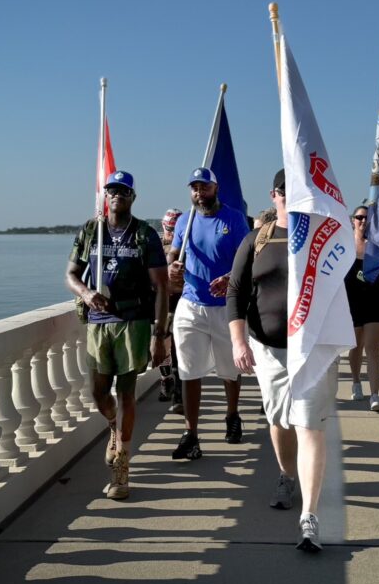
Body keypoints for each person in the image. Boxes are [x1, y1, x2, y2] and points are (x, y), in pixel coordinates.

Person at [227, 169, 338, 553]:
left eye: (298, 192)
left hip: (312, 351)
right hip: (267, 349)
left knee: (309, 425)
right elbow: (236, 292)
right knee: (279, 418)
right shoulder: (256, 240)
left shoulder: (323, 239)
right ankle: (286, 474)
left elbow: (344, 284)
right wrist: (238, 342)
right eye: (284, 192)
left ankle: (309, 515)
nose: (291, 198)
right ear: (274, 195)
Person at [66, 170, 168, 500]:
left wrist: (159, 334)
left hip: (133, 321)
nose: (116, 195)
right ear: (104, 195)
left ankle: (121, 467)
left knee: (126, 392)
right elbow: (71, 273)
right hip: (98, 320)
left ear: (133, 197)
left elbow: (162, 286)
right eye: (111, 190)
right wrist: (85, 293)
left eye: (123, 191)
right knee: (97, 392)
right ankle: (113, 425)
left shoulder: (144, 234)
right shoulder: (90, 230)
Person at [167, 167, 249, 459]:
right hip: (190, 305)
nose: (199, 194)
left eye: (204, 188)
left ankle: (232, 415)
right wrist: (172, 265)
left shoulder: (234, 219)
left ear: (216, 189)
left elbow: (246, 258)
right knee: (189, 371)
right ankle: (191, 434)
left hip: (225, 307)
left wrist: (230, 277)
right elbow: (174, 253)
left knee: (230, 369)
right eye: (194, 188)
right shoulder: (183, 221)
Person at [344, 205, 379, 412]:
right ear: (353, 220)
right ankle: (355, 381)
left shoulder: (378, 246)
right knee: (356, 346)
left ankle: (375, 395)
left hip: (375, 301)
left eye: (367, 218)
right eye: (359, 217)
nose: (363, 221)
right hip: (351, 301)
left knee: (373, 349)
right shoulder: (343, 244)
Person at [158, 208, 184, 414]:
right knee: (162, 345)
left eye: (174, 229)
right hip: (161, 303)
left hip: (181, 302)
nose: (171, 233)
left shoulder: (185, 246)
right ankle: (166, 379)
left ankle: (179, 393)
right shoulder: (156, 246)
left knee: (178, 349)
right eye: (168, 229)